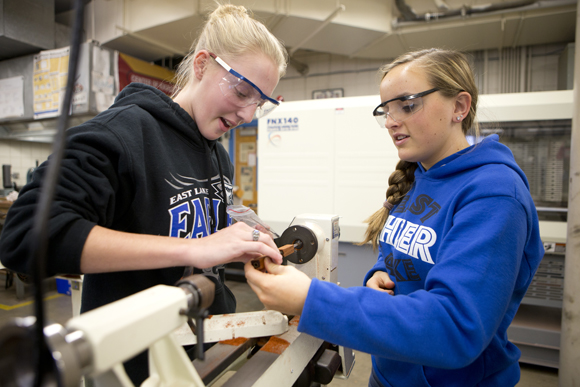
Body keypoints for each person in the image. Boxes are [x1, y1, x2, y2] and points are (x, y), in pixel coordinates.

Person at [0, 3, 286, 384]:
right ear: (202, 65)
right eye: (241, 91)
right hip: (131, 367)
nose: (248, 114)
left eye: (260, 103)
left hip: (199, 354)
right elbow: (25, 236)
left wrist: (241, 233)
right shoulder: (124, 134)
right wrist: (194, 249)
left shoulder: (217, 154)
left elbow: (197, 230)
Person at [245, 48, 544, 387]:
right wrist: (378, 276)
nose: (391, 121)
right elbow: (400, 260)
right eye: (385, 110)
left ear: (459, 107)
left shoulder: (494, 194)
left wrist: (310, 299)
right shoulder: (421, 176)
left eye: (408, 105)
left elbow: (455, 328)